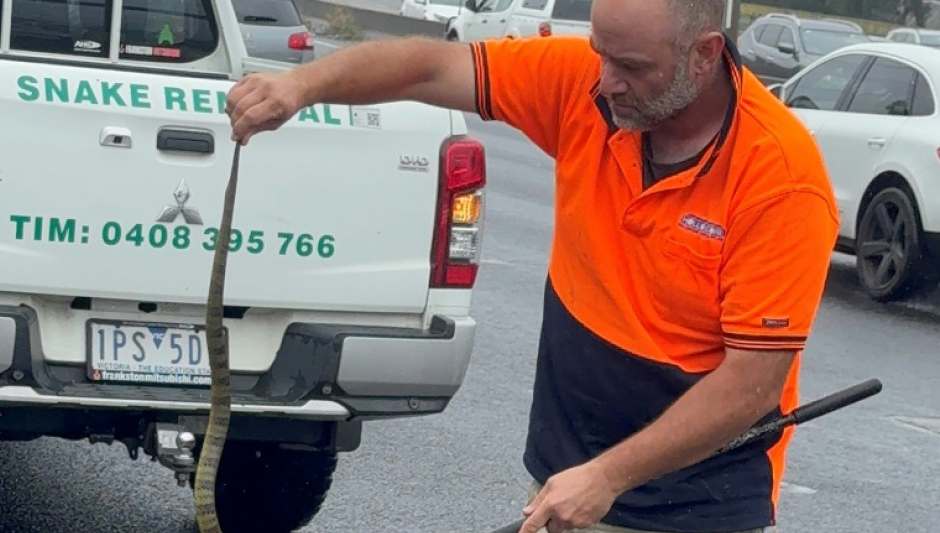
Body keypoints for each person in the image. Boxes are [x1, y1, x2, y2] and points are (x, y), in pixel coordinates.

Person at [225, 0, 840, 531]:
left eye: (631, 67)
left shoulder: (779, 179)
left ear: (705, 55)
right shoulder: (585, 87)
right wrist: (302, 87)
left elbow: (751, 383)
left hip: (693, 507)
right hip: (569, 484)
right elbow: (433, 65)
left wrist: (608, 475)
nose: (608, 81)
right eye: (601, 53)